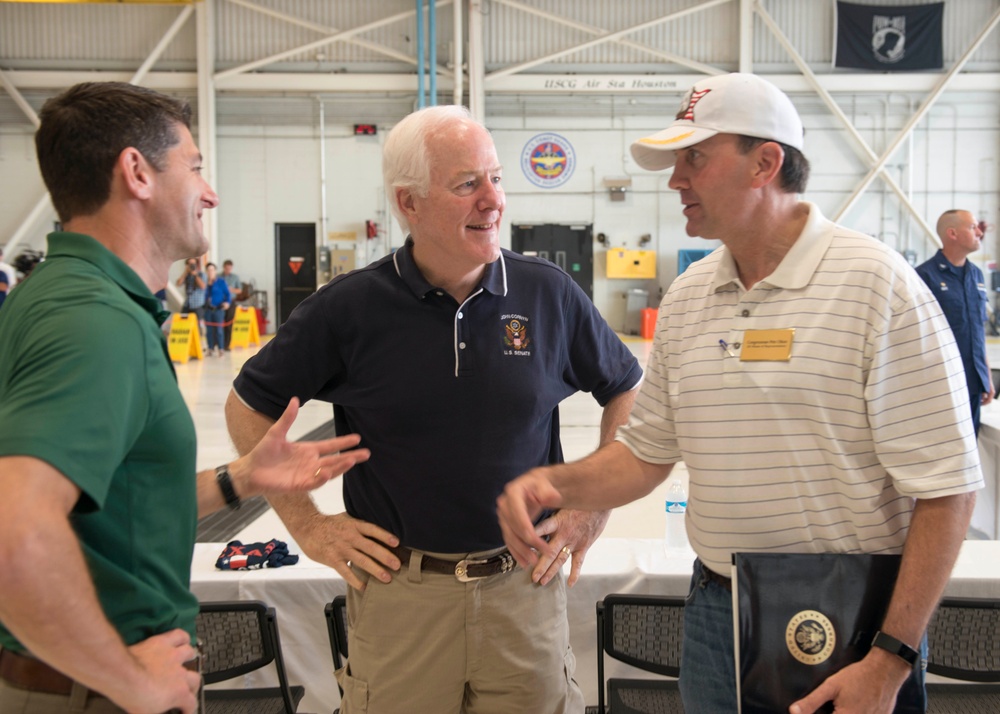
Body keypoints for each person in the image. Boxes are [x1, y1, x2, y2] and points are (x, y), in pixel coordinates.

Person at [497, 72, 983, 714]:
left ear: (765, 162)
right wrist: (555, 484)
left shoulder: (875, 286)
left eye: (694, 157)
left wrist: (890, 658)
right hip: (715, 609)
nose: (676, 180)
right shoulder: (690, 298)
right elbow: (646, 455)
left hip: (849, 621)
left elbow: (948, 487)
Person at [225, 104, 642, 714]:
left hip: (523, 593)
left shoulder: (547, 294)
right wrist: (309, 525)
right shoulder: (350, 310)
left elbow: (628, 390)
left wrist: (592, 504)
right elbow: (247, 406)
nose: (492, 200)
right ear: (408, 203)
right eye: (467, 183)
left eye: (496, 178)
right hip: (401, 600)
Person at [0, 81, 371, 714]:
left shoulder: (66, 295)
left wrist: (242, 478)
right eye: (195, 167)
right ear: (137, 173)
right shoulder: (94, 321)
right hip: (94, 689)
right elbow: (16, 530)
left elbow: (116, 502)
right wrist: (126, 678)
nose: (210, 191)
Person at [915, 210, 994, 435]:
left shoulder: (976, 275)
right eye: (972, 227)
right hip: (939, 383)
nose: (979, 232)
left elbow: (977, 330)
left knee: (970, 447)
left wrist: (985, 374)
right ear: (953, 233)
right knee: (940, 448)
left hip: (972, 382)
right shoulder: (924, 276)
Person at [204, 261, 232, 357]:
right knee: (209, 330)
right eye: (208, 270)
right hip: (208, 309)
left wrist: (227, 303)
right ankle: (210, 348)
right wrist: (208, 284)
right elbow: (203, 295)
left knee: (219, 330)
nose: (210, 272)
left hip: (218, 309)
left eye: (212, 270)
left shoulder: (221, 282)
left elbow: (228, 294)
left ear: (215, 271)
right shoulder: (205, 283)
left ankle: (221, 349)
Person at [176, 256, 206, 324]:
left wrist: (195, 275)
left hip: (197, 305)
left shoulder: (201, 274)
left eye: (193, 264)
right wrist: (185, 272)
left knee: (197, 327)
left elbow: (203, 286)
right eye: (190, 264)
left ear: (197, 265)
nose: (192, 266)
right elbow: (178, 284)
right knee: (184, 324)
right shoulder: (186, 275)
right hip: (187, 304)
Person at [220, 259, 241, 350]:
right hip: (220, 302)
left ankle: (226, 344)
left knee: (229, 324)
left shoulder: (235, 277)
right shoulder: (218, 277)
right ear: (224, 267)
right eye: (226, 268)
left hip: (231, 301)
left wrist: (230, 289)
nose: (228, 270)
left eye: (230, 268)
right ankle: (219, 344)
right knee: (219, 323)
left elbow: (239, 290)